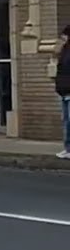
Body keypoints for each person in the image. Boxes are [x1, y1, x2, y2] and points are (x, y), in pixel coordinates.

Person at [55, 25, 70, 159]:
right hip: (64, 91)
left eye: (64, 36)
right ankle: (67, 148)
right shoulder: (64, 51)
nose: (62, 38)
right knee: (66, 120)